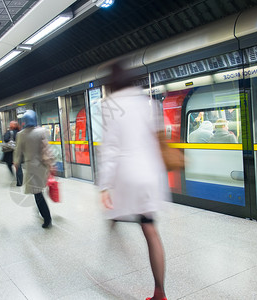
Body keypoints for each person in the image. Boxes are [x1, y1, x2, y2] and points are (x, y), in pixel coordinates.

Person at [98, 62, 170, 300]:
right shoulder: (148, 102)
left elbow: (109, 148)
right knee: (150, 228)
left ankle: (114, 225)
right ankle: (160, 291)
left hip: (127, 173)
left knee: (116, 208)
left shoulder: (110, 105)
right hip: (150, 173)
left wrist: (105, 185)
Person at [13, 110, 54, 229]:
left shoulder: (21, 134)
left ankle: (47, 218)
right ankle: (42, 212)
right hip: (43, 166)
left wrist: (16, 162)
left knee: (37, 194)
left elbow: (18, 151)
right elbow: (47, 148)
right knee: (39, 190)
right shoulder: (42, 131)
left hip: (31, 167)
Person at [3, 121, 23, 186]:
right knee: (18, 166)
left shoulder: (9, 132)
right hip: (19, 151)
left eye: (10, 124)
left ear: (12, 126)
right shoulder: (20, 132)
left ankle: (12, 175)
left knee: (9, 164)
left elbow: (5, 139)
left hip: (10, 152)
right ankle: (19, 182)